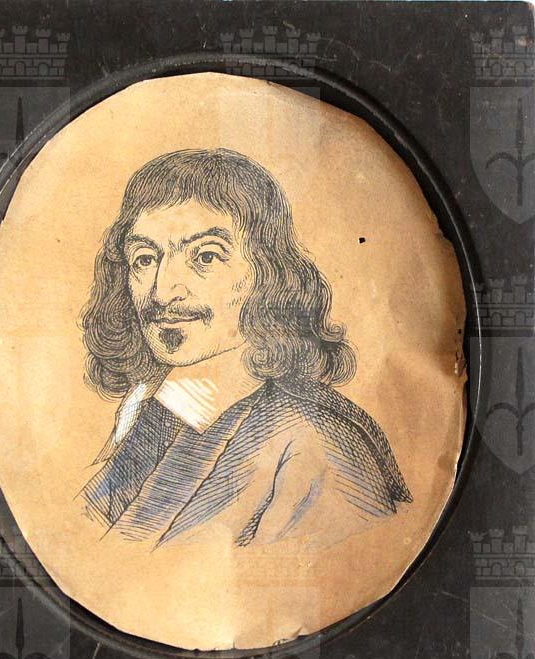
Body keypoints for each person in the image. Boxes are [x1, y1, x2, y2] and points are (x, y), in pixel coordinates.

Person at [78, 147, 412, 548]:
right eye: (145, 259)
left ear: (266, 273)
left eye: (205, 257)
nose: (162, 292)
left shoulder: (317, 445)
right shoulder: (157, 411)